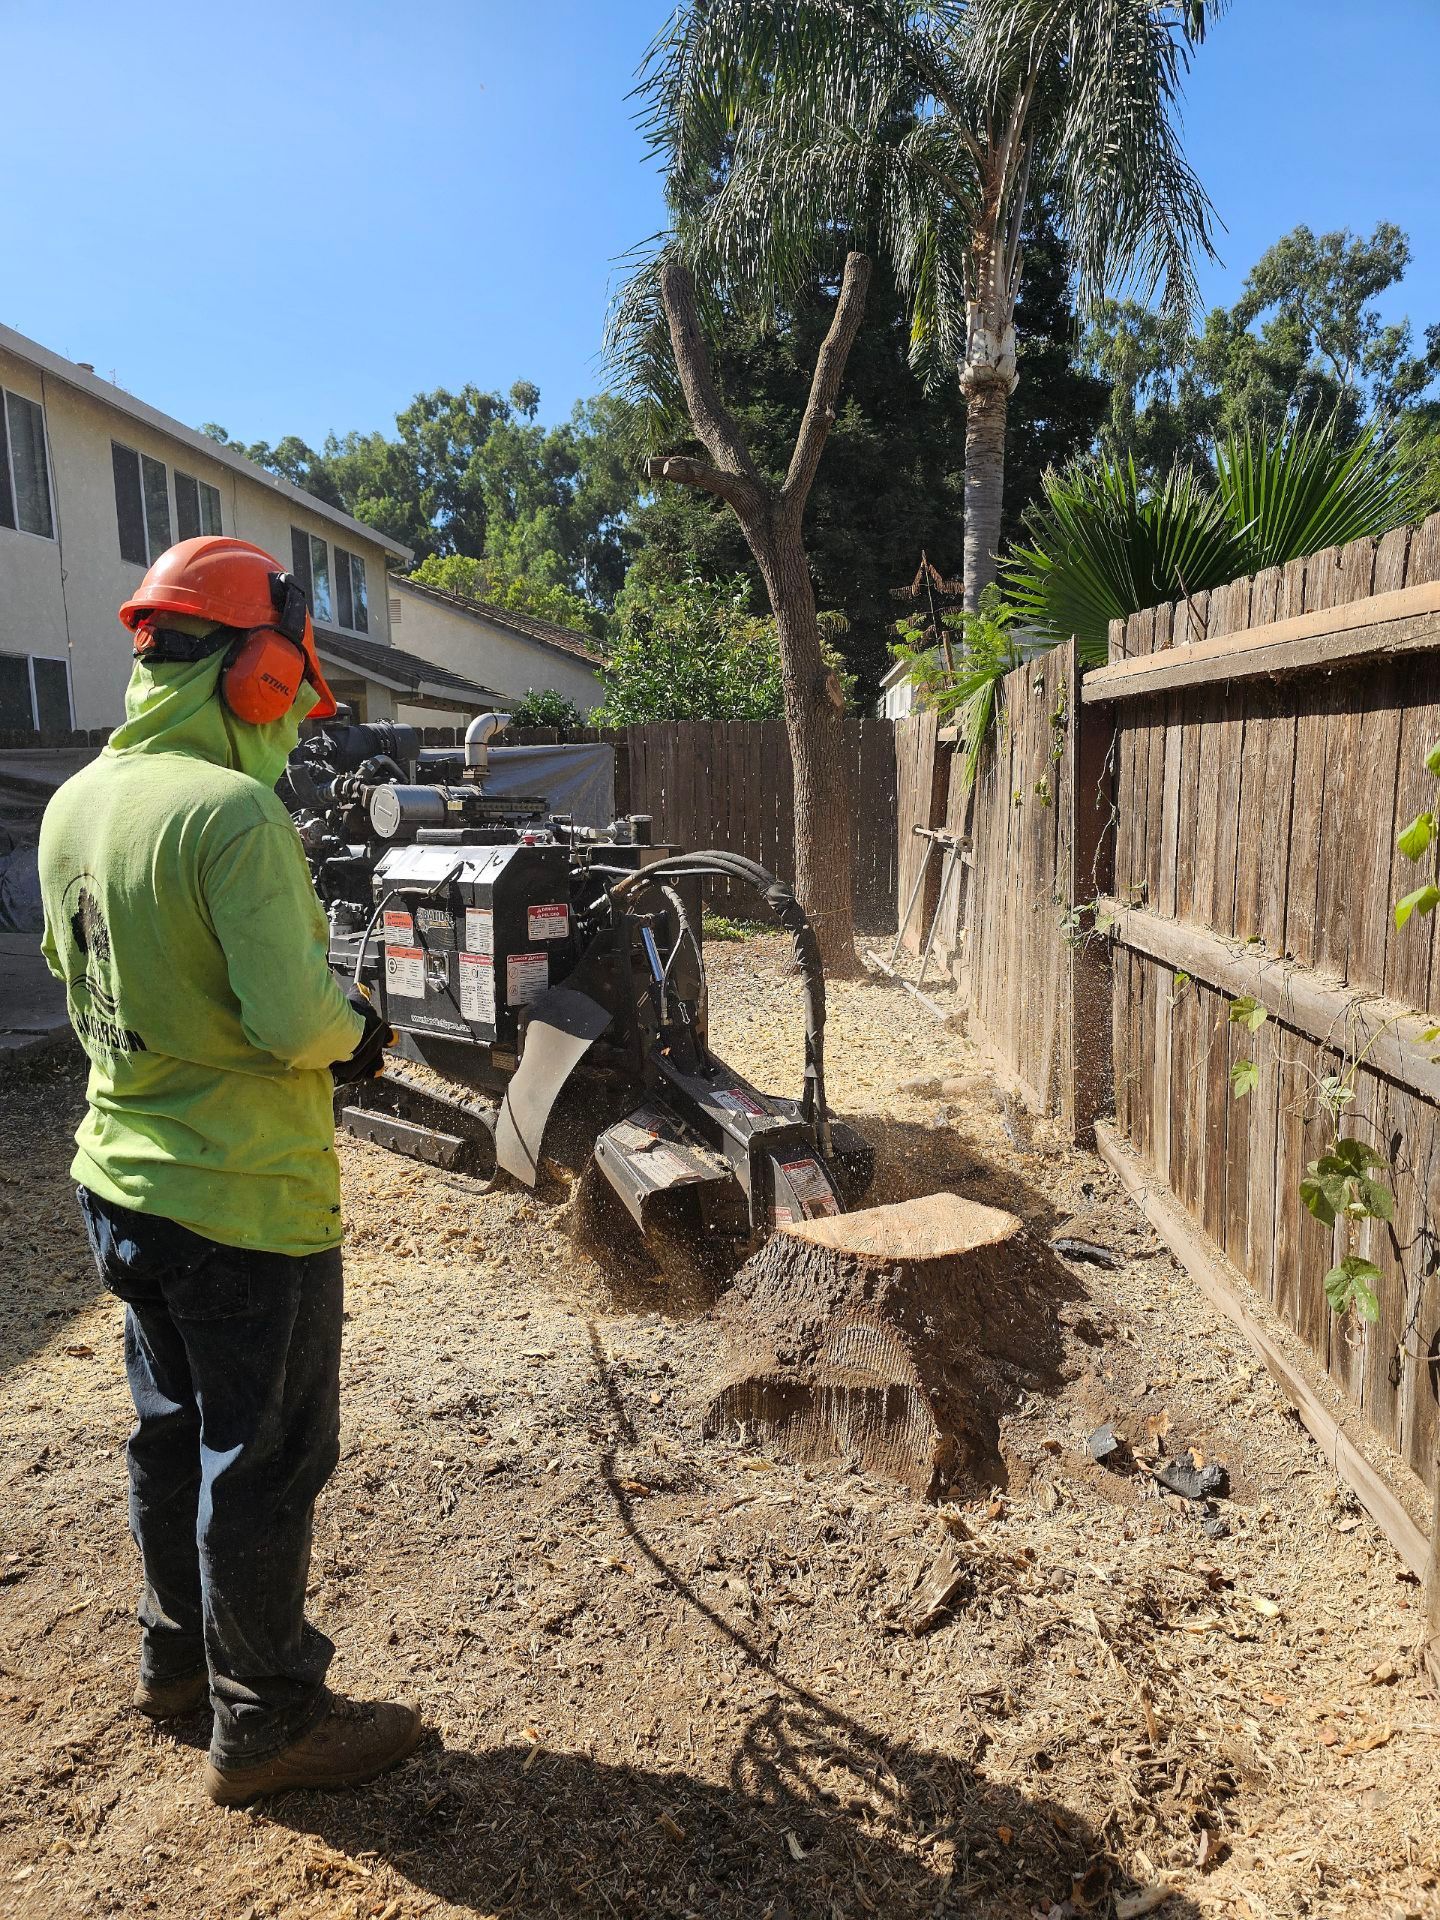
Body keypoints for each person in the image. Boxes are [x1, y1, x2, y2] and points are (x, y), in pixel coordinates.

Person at [38, 536, 420, 1807]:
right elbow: (292, 1019)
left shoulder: (75, 801)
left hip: (121, 1182)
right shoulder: (230, 812)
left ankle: (175, 1665)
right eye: (292, 684)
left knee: (169, 1437)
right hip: (245, 1202)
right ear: (257, 671)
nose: (297, 716)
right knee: (260, 1462)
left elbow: (75, 975)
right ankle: (268, 1724)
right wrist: (365, 1034)